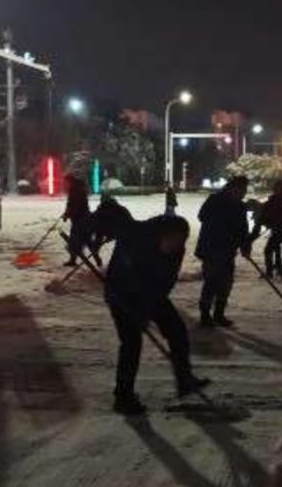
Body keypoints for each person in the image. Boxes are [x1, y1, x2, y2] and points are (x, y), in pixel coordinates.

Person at [92, 198, 205, 415]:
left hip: (152, 292)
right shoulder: (137, 238)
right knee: (131, 344)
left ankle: (184, 379)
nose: (173, 246)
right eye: (170, 241)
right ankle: (123, 397)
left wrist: (151, 305)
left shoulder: (176, 249)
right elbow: (122, 274)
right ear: (161, 234)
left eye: (179, 242)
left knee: (177, 330)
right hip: (121, 295)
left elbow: (167, 280)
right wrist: (139, 312)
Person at [196, 174, 252, 327]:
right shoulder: (215, 200)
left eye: (245, 191)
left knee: (226, 283)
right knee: (211, 282)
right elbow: (202, 216)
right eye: (242, 190)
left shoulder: (240, 206)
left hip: (228, 251)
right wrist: (224, 226)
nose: (243, 194)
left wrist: (245, 246)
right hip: (211, 248)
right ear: (233, 188)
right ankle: (205, 315)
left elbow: (243, 229)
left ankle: (219, 314)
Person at [63, 172, 95, 263]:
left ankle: (73, 259)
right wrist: (67, 213)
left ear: (69, 181)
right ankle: (95, 256)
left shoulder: (76, 189)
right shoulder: (75, 188)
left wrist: (68, 214)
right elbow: (70, 204)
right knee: (84, 238)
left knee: (77, 239)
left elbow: (76, 205)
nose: (65, 184)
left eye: (66, 182)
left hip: (80, 218)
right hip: (80, 217)